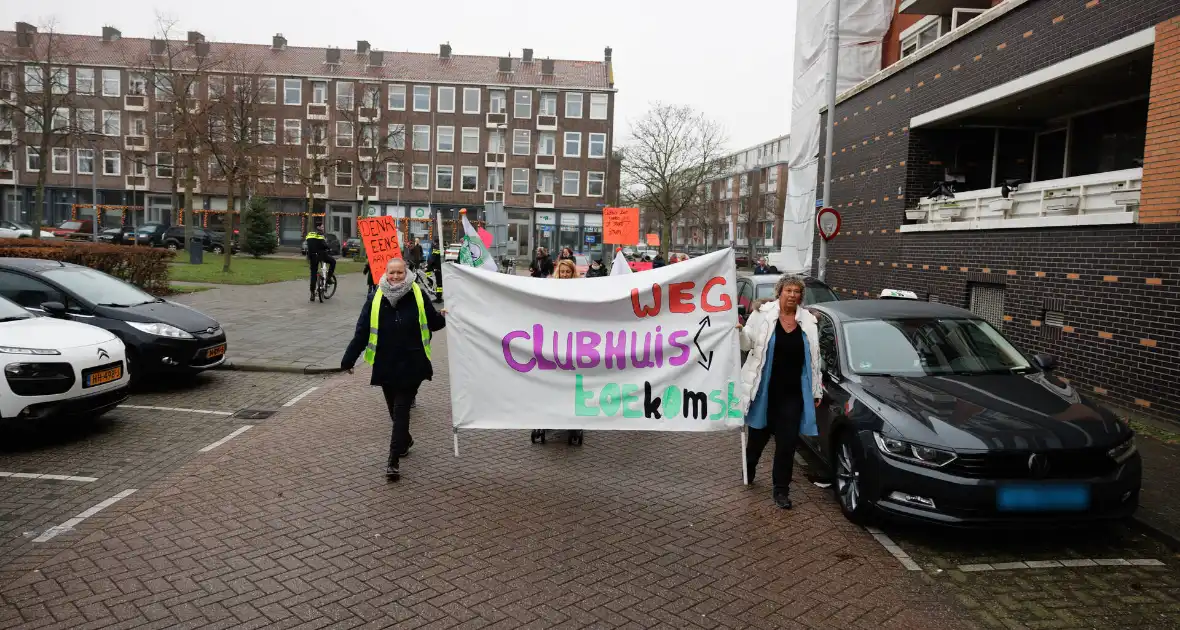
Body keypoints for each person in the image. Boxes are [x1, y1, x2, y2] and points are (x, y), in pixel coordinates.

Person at [342, 258, 446, 480]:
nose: (396, 276)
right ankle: (405, 440)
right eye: (392, 273)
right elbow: (362, 331)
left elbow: (434, 323)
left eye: (400, 272)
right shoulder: (375, 298)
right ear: (386, 273)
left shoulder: (417, 294)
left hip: (412, 363)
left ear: (406, 272)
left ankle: (393, 461)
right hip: (386, 364)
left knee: (401, 411)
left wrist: (445, 315)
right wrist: (349, 359)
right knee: (394, 411)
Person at [737, 275, 822, 510]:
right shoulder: (762, 315)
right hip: (764, 390)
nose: (792, 295)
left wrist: (816, 391)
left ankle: (781, 491)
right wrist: (739, 332)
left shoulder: (808, 322)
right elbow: (747, 345)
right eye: (788, 291)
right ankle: (749, 467)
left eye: (797, 291)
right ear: (779, 292)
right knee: (757, 441)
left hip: (792, 395)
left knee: (787, 445)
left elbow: (815, 360)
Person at [531, 258, 584, 445]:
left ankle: (571, 417)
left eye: (568, 272)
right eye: (562, 272)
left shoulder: (580, 291)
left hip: (572, 342)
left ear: (572, 273)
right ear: (558, 273)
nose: (564, 275)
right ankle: (549, 414)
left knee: (570, 380)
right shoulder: (550, 290)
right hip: (553, 341)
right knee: (551, 378)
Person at [305, 223, 336, 302]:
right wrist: (329, 248)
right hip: (321, 255)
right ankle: (329, 278)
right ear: (318, 227)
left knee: (313, 274)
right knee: (333, 261)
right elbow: (325, 245)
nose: (323, 228)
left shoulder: (309, 235)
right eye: (322, 227)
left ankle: (312, 293)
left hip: (312, 256)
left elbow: (308, 244)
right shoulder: (320, 235)